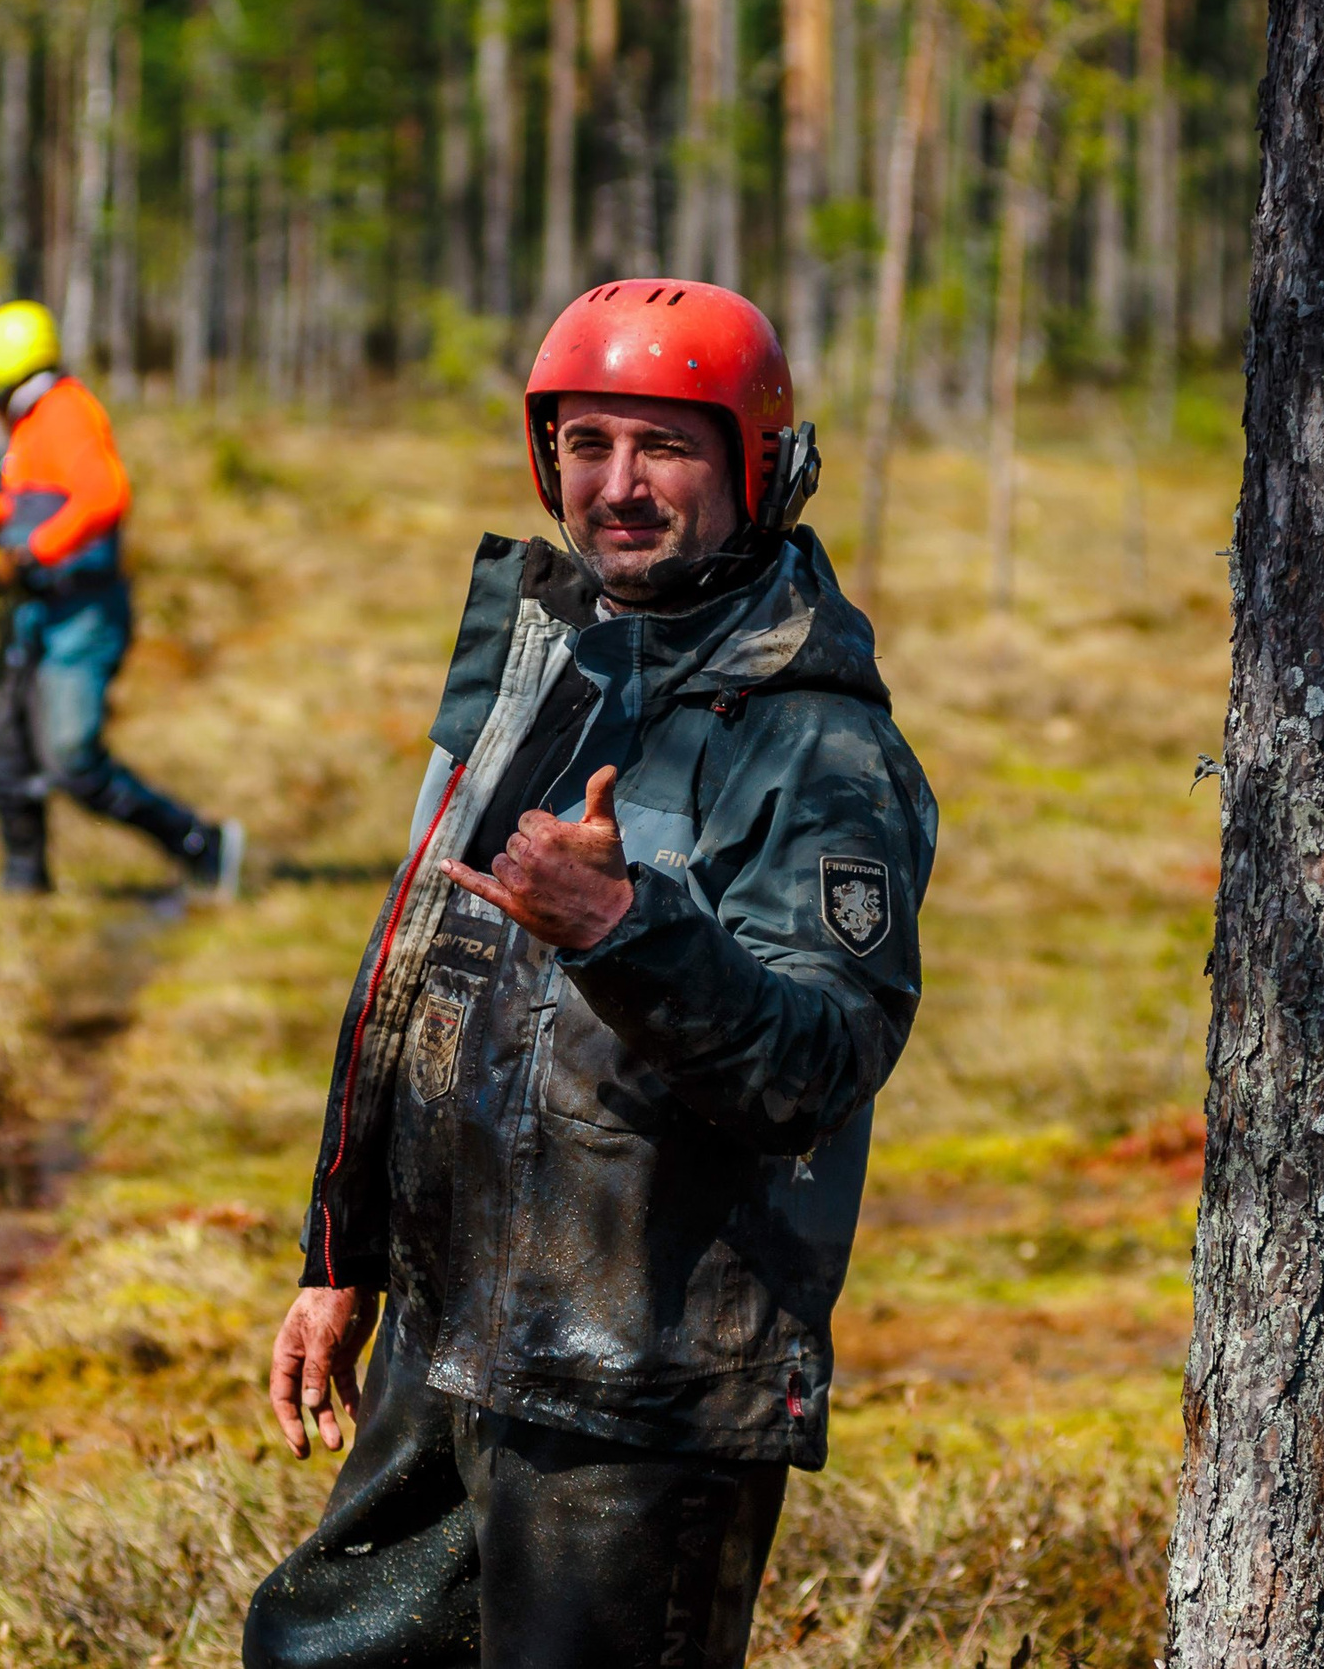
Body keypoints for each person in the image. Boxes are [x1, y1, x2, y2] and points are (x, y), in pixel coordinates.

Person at [242, 282, 936, 1669]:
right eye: (587, 443)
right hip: (451, 1345)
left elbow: (815, 1062)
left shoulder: (822, 746)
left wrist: (625, 926)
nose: (618, 485)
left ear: (758, 465)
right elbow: (410, 979)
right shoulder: (543, 661)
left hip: (644, 1393)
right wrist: (346, 1253)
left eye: (664, 446)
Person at [0, 300, 241, 896]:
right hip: (37, 615)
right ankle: (25, 891)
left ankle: (200, 843)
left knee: (71, 762)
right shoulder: (34, 421)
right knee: (8, 763)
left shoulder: (63, 412)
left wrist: (29, 554)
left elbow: (103, 494)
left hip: (80, 618)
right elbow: (36, 501)